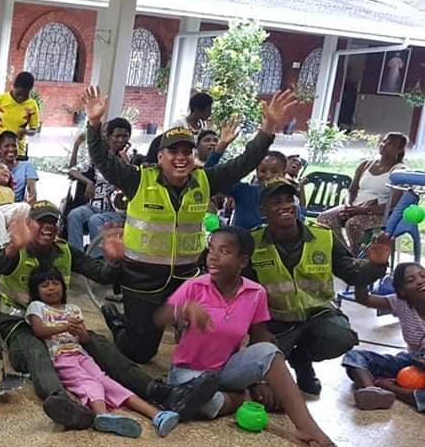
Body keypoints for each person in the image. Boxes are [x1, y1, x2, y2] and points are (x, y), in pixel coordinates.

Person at [84, 86, 294, 364]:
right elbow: (102, 160)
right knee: (140, 353)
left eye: (187, 151)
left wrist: (267, 129)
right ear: (160, 157)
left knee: (204, 336)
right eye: (173, 152)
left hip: (187, 280)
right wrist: (94, 124)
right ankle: (116, 320)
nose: (181, 157)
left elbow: (243, 164)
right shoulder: (138, 180)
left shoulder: (205, 181)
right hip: (141, 280)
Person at [0, 201, 217, 428]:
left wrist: (114, 262)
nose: (48, 226)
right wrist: (12, 247)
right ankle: (61, 402)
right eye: (40, 221)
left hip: (59, 322)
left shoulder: (65, 251)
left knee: (98, 343)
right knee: (36, 352)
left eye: (53, 221)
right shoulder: (18, 249)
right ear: (29, 224)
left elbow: (100, 274)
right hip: (19, 323)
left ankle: (160, 392)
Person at [162, 226, 338, 447]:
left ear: (242, 261)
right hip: (188, 372)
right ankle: (240, 399)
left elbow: (259, 338)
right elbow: (158, 318)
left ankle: (306, 426)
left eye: (224, 251)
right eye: (211, 249)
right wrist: (182, 309)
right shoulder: (194, 286)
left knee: (269, 351)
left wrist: (261, 381)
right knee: (200, 403)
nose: (212, 257)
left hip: (225, 370)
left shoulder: (256, 293)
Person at [248, 180, 391, 395]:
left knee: (341, 337)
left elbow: (352, 274)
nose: (285, 206)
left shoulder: (323, 237)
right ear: (263, 210)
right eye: (276, 202)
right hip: (275, 322)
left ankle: (301, 359)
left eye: (289, 200)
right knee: (256, 371)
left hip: (319, 315)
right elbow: (244, 292)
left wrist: (377, 265)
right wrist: (257, 329)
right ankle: (286, 358)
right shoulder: (252, 241)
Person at [27, 268, 180, 438]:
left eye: (56, 283)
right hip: (61, 357)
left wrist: (80, 332)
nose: (51, 288)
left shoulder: (73, 309)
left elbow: (84, 338)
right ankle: (102, 416)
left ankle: (157, 415)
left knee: (107, 381)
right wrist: (65, 326)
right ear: (36, 291)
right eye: (45, 285)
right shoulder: (37, 306)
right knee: (91, 383)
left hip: (81, 354)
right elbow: (38, 330)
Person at [345, 262, 425, 413]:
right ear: (402, 291)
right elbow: (364, 299)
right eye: (411, 280)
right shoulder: (400, 303)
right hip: (412, 362)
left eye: (423, 276)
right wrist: (367, 271)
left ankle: (388, 387)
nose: (420, 281)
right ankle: (371, 391)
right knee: (354, 357)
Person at [317, 132, 407, 254]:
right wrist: (348, 206)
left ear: (400, 149)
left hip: (379, 213)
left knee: (353, 224)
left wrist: (362, 210)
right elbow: (352, 191)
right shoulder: (365, 165)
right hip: (354, 206)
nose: (384, 145)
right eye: (384, 141)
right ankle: (344, 253)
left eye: (390, 144)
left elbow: (392, 205)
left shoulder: (400, 171)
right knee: (325, 218)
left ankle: (358, 257)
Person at [67, 117, 130, 251]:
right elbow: (72, 171)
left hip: (117, 212)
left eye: (125, 136)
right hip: (94, 206)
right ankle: (77, 257)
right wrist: (88, 182)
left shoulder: (133, 160)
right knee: (75, 215)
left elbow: (135, 185)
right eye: (117, 136)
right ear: (109, 138)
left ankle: (98, 260)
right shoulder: (100, 159)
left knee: (96, 220)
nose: (121, 140)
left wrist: (127, 164)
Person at [225, 151, 293, 230]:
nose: (268, 176)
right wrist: (221, 147)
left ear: (283, 174)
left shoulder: (289, 200)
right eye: (263, 171)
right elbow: (211, 179)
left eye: (274, 172)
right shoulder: (243, 191)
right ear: (256, 171)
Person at [145, 92, 214, 165]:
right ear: (197, 109)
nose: (210, 113)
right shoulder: (179, 125)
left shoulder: (203, 126)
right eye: (208, 110)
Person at [0, 72, 39, 158]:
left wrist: (25, 131)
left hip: (17, 150)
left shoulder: (32, 105)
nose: (21, 97)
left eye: (25, 95)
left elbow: (34, 130)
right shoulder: (0, 99)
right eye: (18, 94)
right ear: (13, 87)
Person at [0, 132, 37, 204]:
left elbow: (32, 194)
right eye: (6, 146)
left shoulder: (27, 166)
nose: (11, 149)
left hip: (17, 207)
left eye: (14, 146)